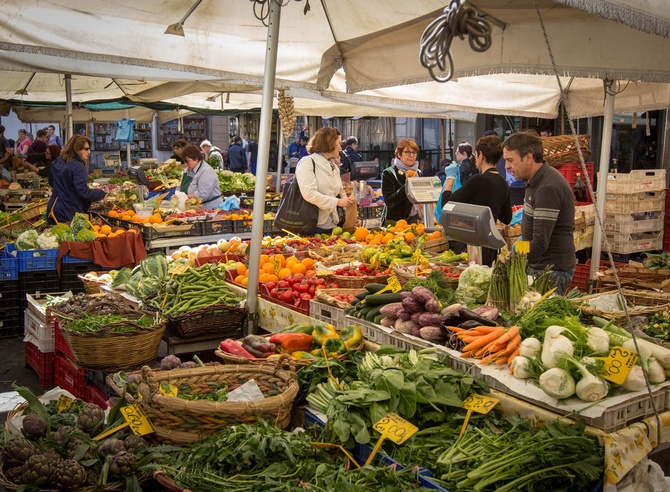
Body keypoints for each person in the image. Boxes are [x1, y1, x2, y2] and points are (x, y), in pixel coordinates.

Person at [503, 132, 575, 294]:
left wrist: (514, 263)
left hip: (550, 272)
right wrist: (518, 246)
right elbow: (533, 235)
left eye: (510, 160)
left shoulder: (547, 188)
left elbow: (540, 242)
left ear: (528, 158)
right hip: (540, 267)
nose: (506, 166)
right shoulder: (533, 181)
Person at [446, 135, 512, 266]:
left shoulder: (477, 180)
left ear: (481, 155)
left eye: (476, 154)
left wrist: (450, 179)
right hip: (490, 246)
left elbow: (447, 204)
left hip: (471, 246)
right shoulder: (503, 183)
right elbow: (507, 218)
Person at [295, 127, 355, 235]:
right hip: (312, 226)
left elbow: (340, 194)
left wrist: (351, 217)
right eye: (339, 143)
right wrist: (338, 202)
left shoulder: (333, 167)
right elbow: (309, 193)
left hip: (333, 226)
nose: (340, 148)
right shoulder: (307, 163)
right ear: (329, 143)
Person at [46, 135, 106, 225]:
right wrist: (101, 193)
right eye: (86, 149)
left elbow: (51, 182)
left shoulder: (57, 162)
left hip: (54, 208)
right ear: (76, 149)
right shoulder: (78, 167)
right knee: (71, 238)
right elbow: (83, 191)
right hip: (70, 211)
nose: (89, 152)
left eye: (89, 149)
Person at [380, 138, 423, 226]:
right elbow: (390, 202)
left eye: (414, 152)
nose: (411, 155)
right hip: (395, 223)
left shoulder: (418, 173)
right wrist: (407, 185)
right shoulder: (389, 173)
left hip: (415, 221)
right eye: (407, 152)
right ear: (399, 154)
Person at [180, 144, 223, 209]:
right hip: (194, 206)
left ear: (196, 159)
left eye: (188, 161)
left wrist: (184, 197)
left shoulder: (206, 171)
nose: (186, 164)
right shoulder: (188, 170)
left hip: (210, 208)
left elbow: (203, 195)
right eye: (185, 161)